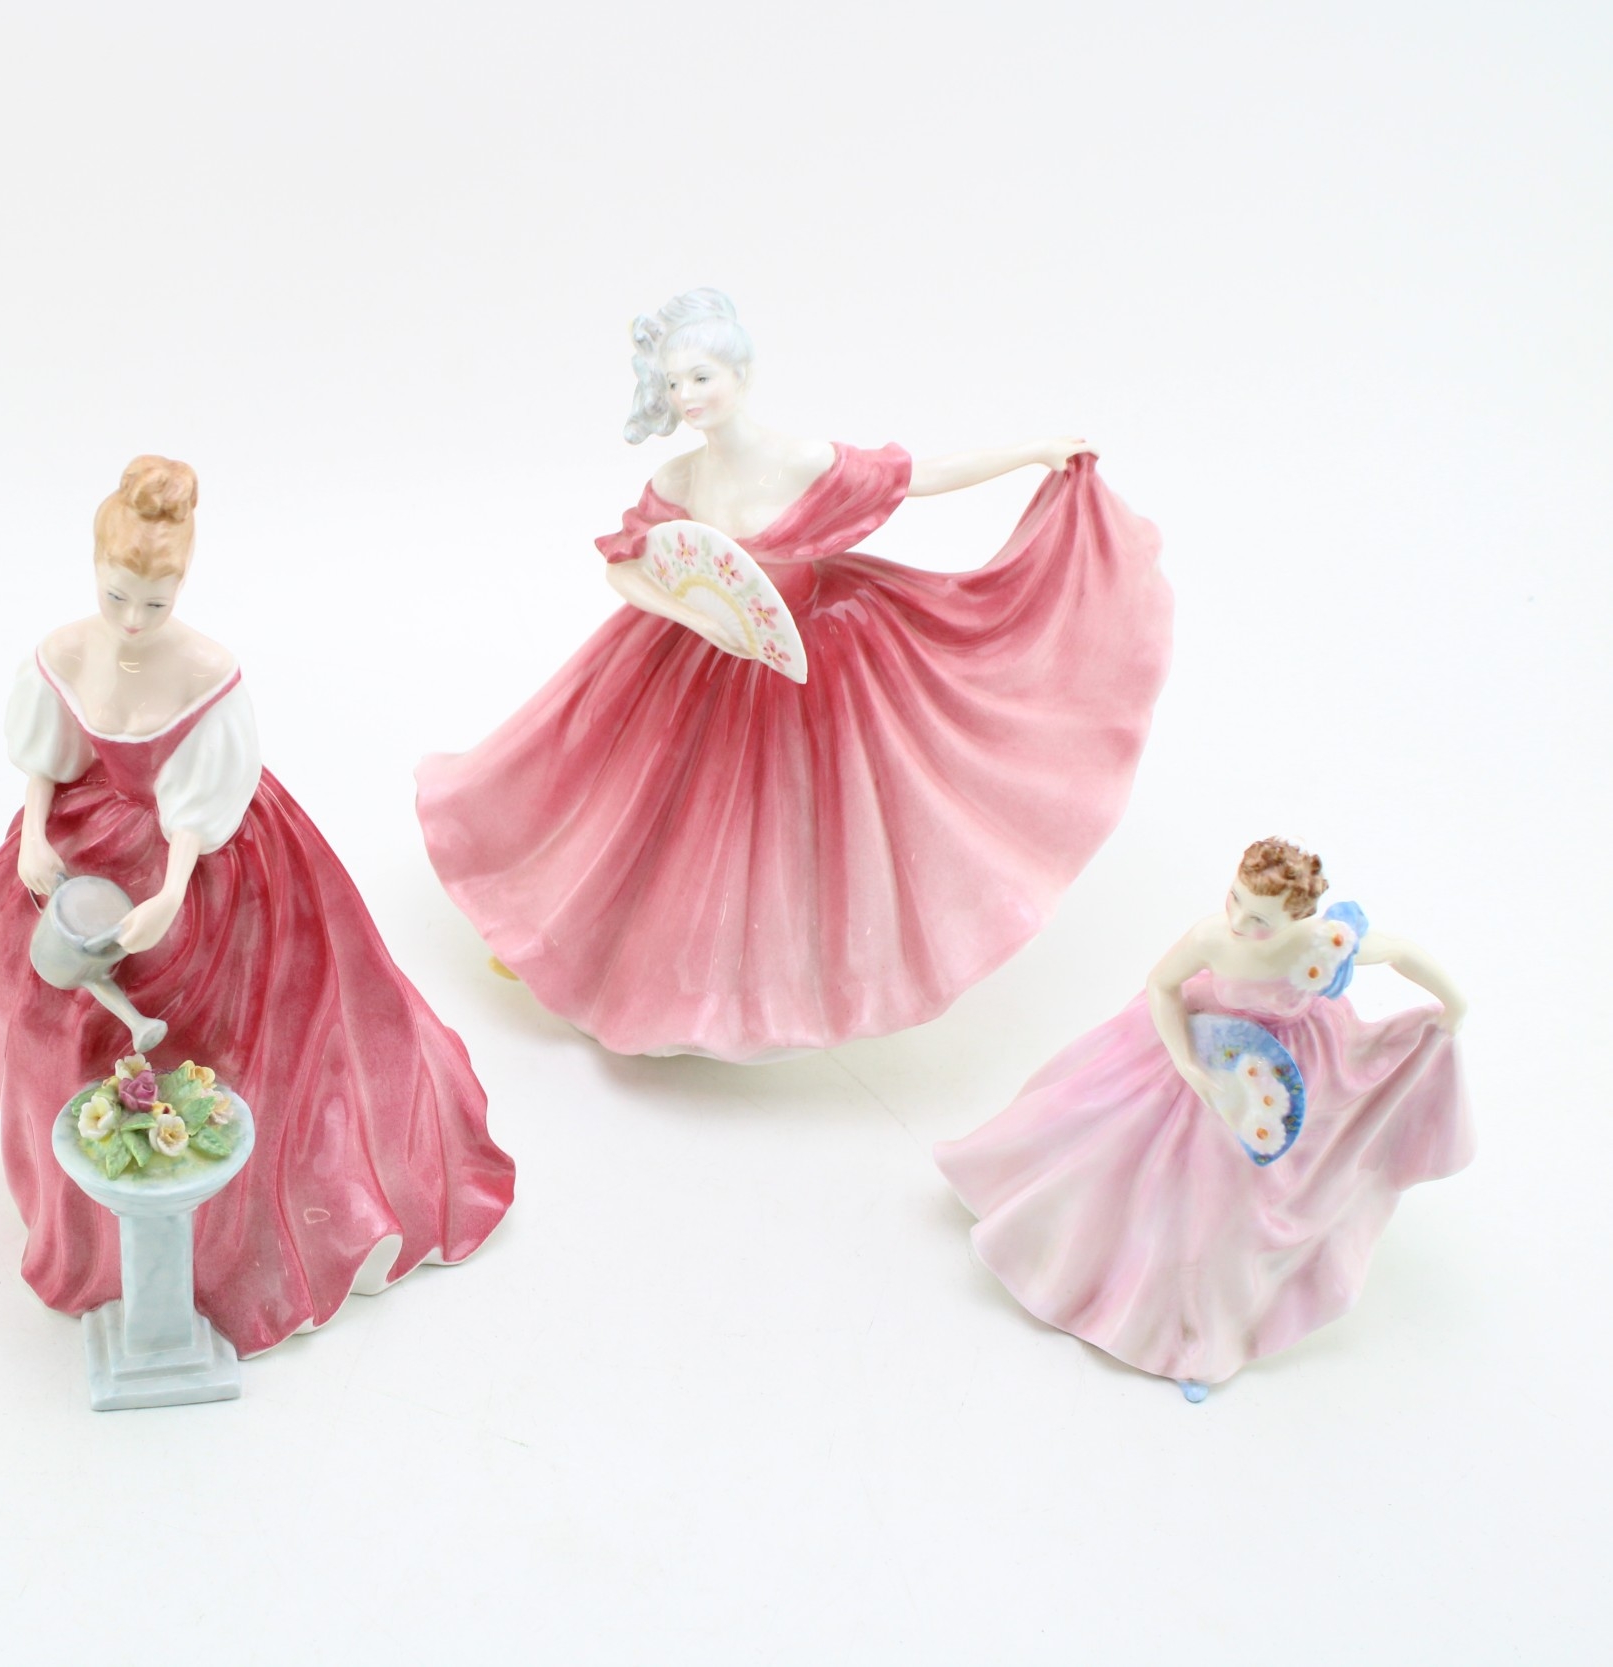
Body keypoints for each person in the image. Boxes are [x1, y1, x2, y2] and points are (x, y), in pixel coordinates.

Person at [416, 288, 1173, 1060]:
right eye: (675, 383)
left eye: (702, 377)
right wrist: (697, 619)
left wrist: (1034, 451)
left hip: (816, 651)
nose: (688, 397)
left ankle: (775, 986)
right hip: (699, 652)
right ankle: (573, 944)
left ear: (740, 375)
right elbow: (625, 568)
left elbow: (918, 476)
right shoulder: (679, 480)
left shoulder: (802, 460)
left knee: (804, 820)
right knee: (633, 802)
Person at [0, 455, 515, 1356]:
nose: (133, 620)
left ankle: (214, 1230)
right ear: (95, 571)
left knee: (224, 1019)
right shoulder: (65, 651)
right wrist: (34, 835)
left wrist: (172, 891)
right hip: (86, 837)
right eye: (117, 597)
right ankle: (81, 1212)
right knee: (50, 991)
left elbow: (197, 805)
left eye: (155, 602)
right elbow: (48, 756)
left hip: (200, 852)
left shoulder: (207, 672)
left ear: (181, 584)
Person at [936, 837, 1472, 1397]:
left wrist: (1453, 1002)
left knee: (1232, 1197)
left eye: (1260, 919)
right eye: (1235, 899)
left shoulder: (1323, 944)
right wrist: (1187, 1063)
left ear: (1296, 919)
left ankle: (1198, 1332)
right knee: (1120, 1142)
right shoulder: (1212, 938)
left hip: (1282, 1072)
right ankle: (1080, 1252)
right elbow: (1162, 985)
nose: (1239, 920)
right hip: (1206, 1047)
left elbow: (1398, 951)